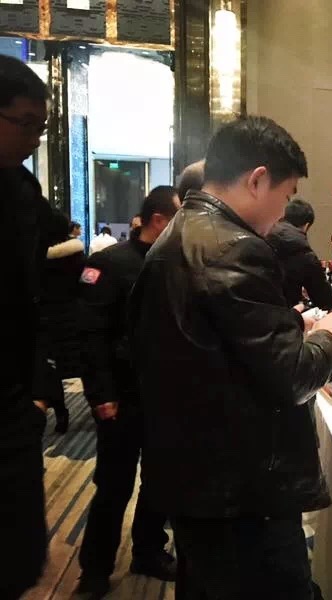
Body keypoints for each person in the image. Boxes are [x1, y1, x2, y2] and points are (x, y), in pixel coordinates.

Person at [128, 116, 332, 599]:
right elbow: (293, 376)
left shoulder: (184, 231)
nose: (282, 214)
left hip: (197, 475)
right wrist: (330, 336)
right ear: (258, 180)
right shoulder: (234, 248)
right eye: (286, 194)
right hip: (241, 489)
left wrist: (289, 328)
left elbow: (215, 342)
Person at [76, 186, 181, 597]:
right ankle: (95, 570)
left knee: (159, 481)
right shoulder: (109, 263)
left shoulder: (174, 264)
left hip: (164, 395)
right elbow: (91, 336)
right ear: (158, 219)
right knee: (114, 485)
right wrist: (100, 395)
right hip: (120, 396)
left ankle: (148, 550)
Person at [0, 54, 52, 600]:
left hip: (13, 395)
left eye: (42, 127)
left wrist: (37, 391)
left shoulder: (21, 188)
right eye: (27, 124)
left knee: (18, 557)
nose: (36, 139)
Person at [39, 210, 87, 433]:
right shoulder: (78, 255)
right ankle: (97, 407)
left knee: (51, 371)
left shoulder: (39, 259)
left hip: (48, 320)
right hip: (77, 316)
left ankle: (61, 414)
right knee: (84, 364)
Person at [266, 197, 332, 310]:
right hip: (285, 313)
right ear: (306, 226)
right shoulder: (303, 251)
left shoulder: (262, 236)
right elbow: (324, 298)